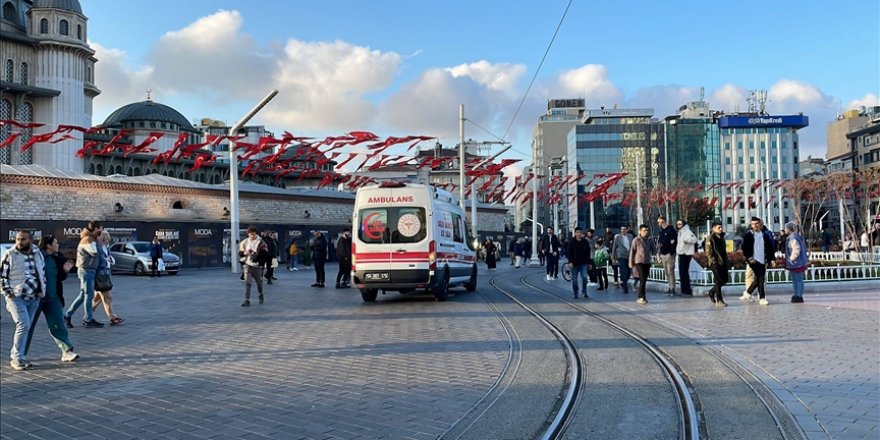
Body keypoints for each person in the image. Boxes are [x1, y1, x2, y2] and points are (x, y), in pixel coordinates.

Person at [24, 235, 79, 365]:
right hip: (36, 298)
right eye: (56, 243)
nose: (58, 245)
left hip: (53, 297)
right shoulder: (36, 256)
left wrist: (65, 271)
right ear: (48, 245)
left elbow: (60, 277)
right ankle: (20, 354)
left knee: (58, 324)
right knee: (28, 326)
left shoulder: (57, 257)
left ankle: (67, 351)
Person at [1, 230, 48, 370]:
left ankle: (20, 355)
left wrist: (42, 290)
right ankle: (16, 357)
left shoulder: (37, 253)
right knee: (23, 324)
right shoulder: (10, 254)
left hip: (34, 297)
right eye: (17, 239)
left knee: (27, 326)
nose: (19, 242)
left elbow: (42, 272)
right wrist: (9, 293)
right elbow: (2, 275)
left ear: (30, 240)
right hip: (16, 297)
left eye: (23, 239)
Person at [64, 221, 104, 328]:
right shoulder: (88, 240)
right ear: (96, 229)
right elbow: (94, 252)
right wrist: (99, 241)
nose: (102, 231)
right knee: (88, 295)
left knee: (83, 295)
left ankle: (67, 315)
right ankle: (88, 319)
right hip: (86, 271)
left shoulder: (90, 239)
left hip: (88, 270)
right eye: (101, 229)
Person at [92, 231, 124, 324]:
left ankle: (88, 312)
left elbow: (108, 256)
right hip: (100, 275)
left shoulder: (106, 247)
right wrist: (106, 262)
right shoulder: (97, 247)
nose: (108, 240)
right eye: (107, 237)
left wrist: (110, 260)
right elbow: (97, 260)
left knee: (98, 298)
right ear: (103, 238)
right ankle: (112, 317)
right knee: (108, 297)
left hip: (106, 275)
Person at [742, 217, 775, 306]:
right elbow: (745, 248)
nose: (755, 226)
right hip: (753, 261)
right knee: (760, 278)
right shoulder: (749, 235)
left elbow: (770, 248)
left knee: (759, 279)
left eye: (757, 223)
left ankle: (748, 292)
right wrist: (749, 258)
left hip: (763, 260)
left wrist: (772, 259)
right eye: (753, 224)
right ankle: (762, 298)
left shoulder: (764, 235)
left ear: (760, 224)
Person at [239, 226, 267, 306]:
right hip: (248, 265)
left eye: (254, 234)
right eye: (250, 234)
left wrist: (257, 259)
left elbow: (265, 254)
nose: (252, 236)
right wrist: (245, 253)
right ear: (248, 234)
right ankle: (247, 300)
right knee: (248, 283)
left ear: (256, 234)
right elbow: (240, 252)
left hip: (257, 266)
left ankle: (260, 294)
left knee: (259, 283)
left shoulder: (261, 242)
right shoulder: (245, 242)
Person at [629, 224, 656, 304]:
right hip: (639, 262)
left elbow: (654, 250)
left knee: (644, 279)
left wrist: (658, 253)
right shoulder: (636, 240)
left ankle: (643, 296)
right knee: (642, 279)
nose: (646, 232)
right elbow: (632, 252)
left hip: (647, 261)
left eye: (647, 230)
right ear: (640, 231)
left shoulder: (650, 240)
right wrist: (631, 262)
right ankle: (641, 296)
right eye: (644, 230)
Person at [705, 221, 729, 307]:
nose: (721, 229)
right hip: (715, 262)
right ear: (713, 228)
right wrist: (713, 260)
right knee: (718, 280)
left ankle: (711, 292)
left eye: (721, 227)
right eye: (719, 227)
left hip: (723, 261)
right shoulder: (710, 238)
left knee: (725, 280)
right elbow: (708, 251)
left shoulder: (722, 237)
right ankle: (719, 300)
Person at [785, 222, 809, 303]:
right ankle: (796, 294)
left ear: (788, 229)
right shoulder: (793, 237)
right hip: (795, 263)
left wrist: (791, 259)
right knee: (795, 279)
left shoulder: (793, 238)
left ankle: (799, 295)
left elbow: (796, 250)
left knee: (798, 279)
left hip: (796, 263)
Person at [566, 227, 591, 299]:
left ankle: (584, 291)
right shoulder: (572, 242)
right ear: (575, 233)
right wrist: (570, 262)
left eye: (580, 232)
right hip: (574, 264)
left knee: (585, 277)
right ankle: (575, 292)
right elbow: (569, 253)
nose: (579, 234)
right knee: (574, 279)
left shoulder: (585, 242)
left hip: (583, 263)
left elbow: (588, 253)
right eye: (577, 232)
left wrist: (589, 263)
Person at [675, 220, 697, 295]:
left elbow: (694, 239)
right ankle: (683, 289)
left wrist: (687, 240)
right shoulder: (680, 232)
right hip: (681, 253)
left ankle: (687, 289)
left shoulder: (687, 231)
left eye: (680, 224)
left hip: (686, 253)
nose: (678, 225)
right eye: (677, 224)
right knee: (682, 272)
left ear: (683, 224)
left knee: (684, 272)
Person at [656, 216, 677, 295]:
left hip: (669, 254)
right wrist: (659, 253)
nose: (658, 223)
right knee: (666, 272)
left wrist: (671, 252)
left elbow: (673, 242)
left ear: (662, 221)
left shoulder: (671, 230)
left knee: (670, 272)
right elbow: (660, 244)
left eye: (659, 222)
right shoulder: (661, 232)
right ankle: (670, 287)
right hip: (663, 254)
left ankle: (672, 289)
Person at [611, 226, 633, 293]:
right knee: (624, 271)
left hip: (629, 256)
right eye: (622, 229)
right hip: (621, 256)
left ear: (627, 230)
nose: (623, 230)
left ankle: (623, 282)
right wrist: (613, 257)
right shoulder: (618, 237)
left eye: (624, 229)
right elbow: (614, 247)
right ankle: (625, 288)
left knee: (629, 272)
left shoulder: (630, 236)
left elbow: (633, 245)